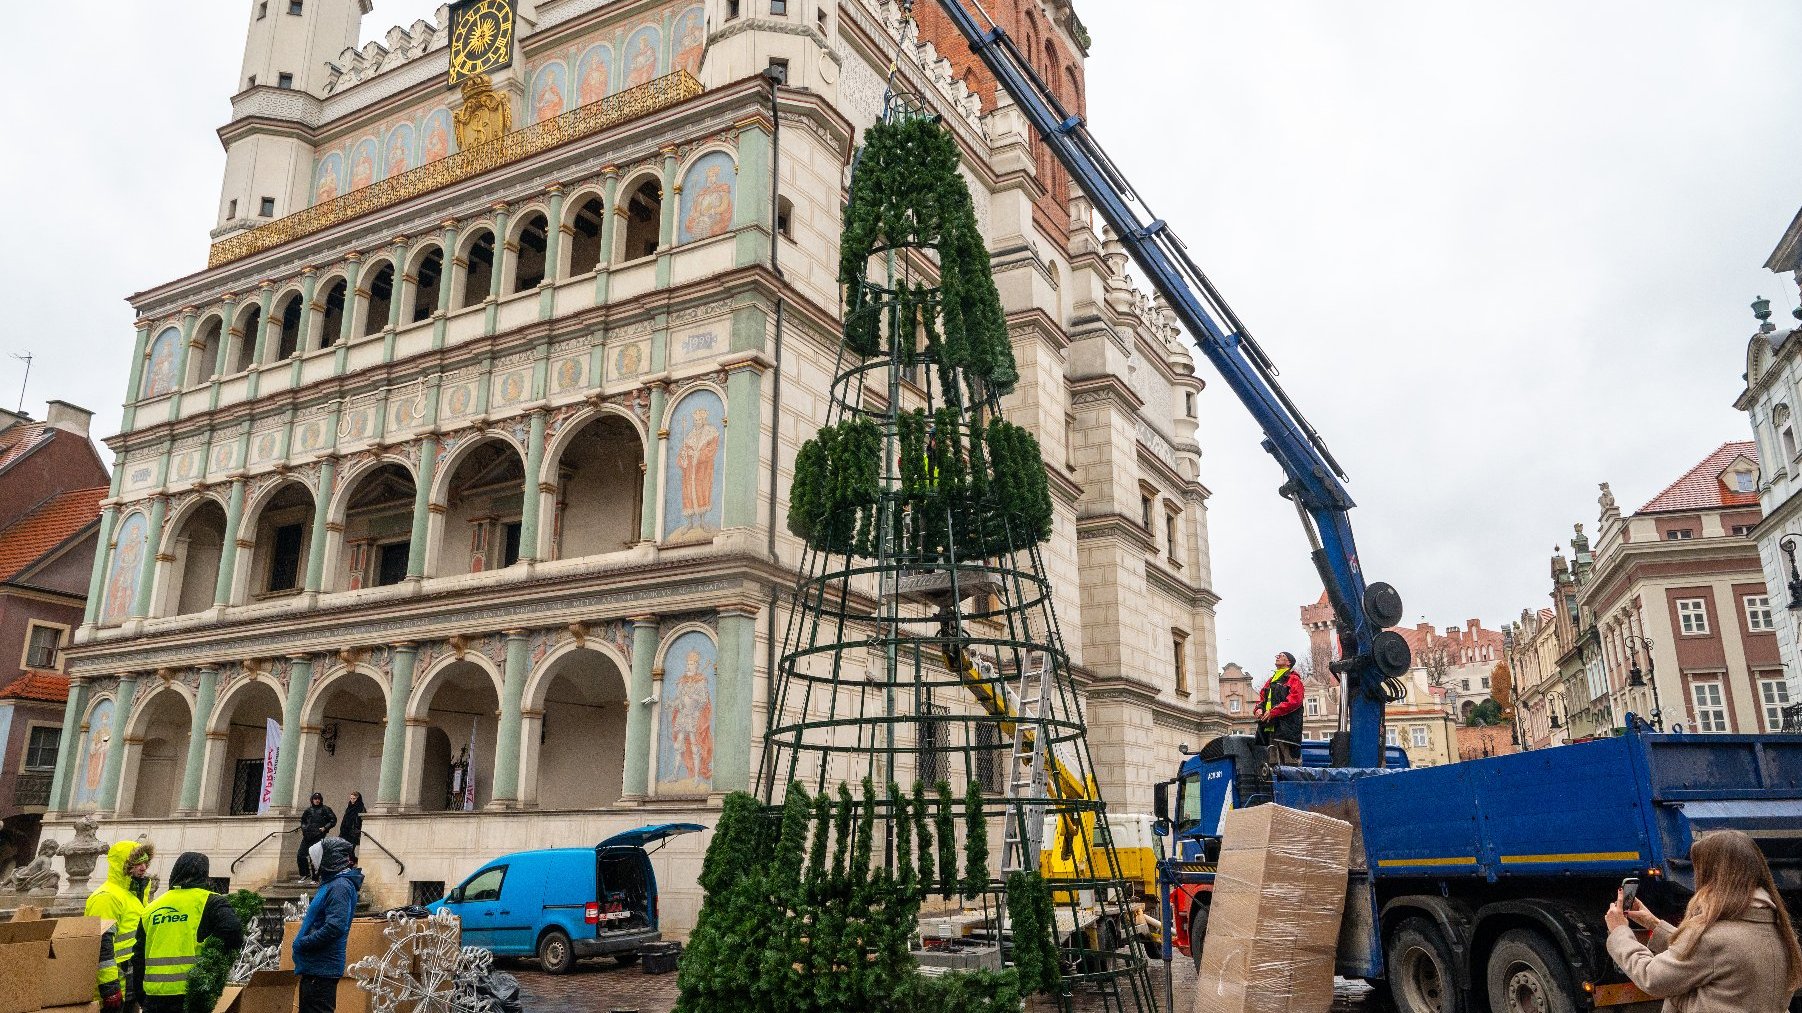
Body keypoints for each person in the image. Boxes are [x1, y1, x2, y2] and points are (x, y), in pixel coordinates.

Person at [1606, 829, 1802, 1011]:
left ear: (1713, 875)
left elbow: (1651, 977)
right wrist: (1655, 925)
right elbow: (1715, 958)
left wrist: (1620, 933)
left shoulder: (1711, 939)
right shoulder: (1780, 930)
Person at [139, 853, 245, 1013]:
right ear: (204, 874)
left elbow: (138, 956)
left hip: (154, 996)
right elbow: (234, 932)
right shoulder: (211, 901)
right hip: (192, 993)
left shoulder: (152, 908)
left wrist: (142, 997)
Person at [292, 838, 362, 1013]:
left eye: (316, 859)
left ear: (328, 859)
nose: (313, 864)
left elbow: (335, 926)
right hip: (315, 967)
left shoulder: (340, 886)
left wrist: (303, 943)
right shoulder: (333, 883)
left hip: (322, 969)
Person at [86, 839, 154, 1012]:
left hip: (129, 985)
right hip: (113, 988)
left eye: (146, 862)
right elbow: (102, 944)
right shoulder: (106, 896)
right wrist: (109, 988)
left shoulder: (132, 896)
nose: (143, 867)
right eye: (137, 862)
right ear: (122, 865)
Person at [1253, 651, 1306, 767]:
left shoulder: (1294, 680)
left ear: (1288, 662)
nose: (1277, 657)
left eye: (1281, 656)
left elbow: (1294, 701)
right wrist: (1258, 709)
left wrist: (1273, 712)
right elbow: (1262, 699)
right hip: (1271, 729)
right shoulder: (1271, 680)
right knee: (1273, 764)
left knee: (1289, 764)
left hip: (1286, 731)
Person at [296, 793, 336, 881]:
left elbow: (333, 820)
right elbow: (303, 821)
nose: (317, 800)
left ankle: (315, 878)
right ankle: (305, 873)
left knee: (314, 857)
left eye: (318, 799)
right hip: (307, 836)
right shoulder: (308, 810)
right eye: (315, 799)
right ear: (312, 800)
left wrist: (325, 828)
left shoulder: (325, 809)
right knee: (300, 855)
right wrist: (304, 829)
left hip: (318, 835)